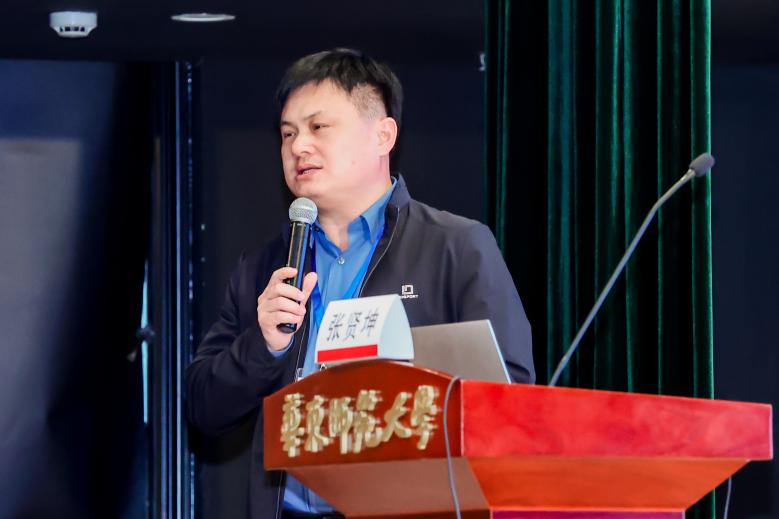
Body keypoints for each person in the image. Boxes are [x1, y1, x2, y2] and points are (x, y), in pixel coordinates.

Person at [184, 48, 534, 519]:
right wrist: (263, 347)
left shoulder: (455, 247)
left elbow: (510, 394)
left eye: (318, 127)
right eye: (288, 134)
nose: (299, 147)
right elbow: (204, 407)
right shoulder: (266, 269)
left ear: (383, 135)